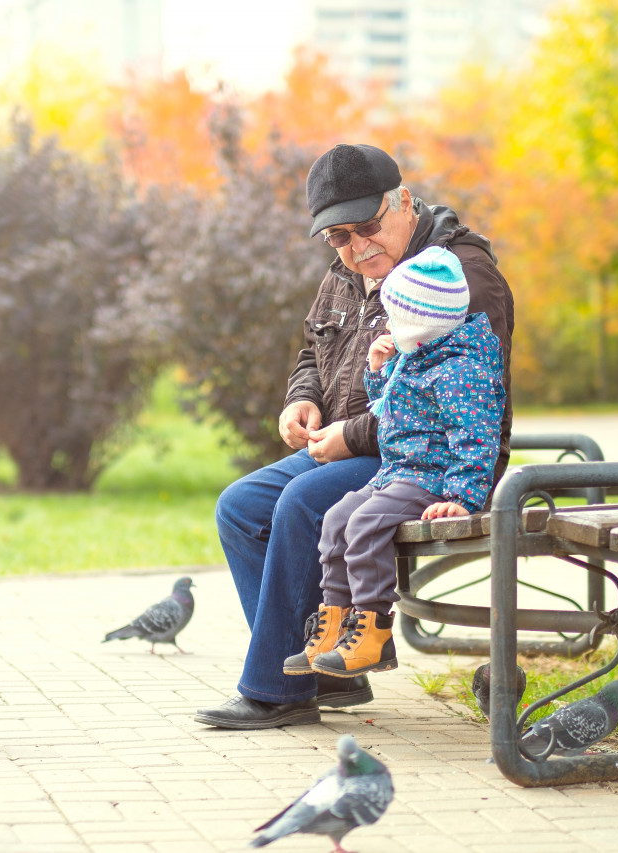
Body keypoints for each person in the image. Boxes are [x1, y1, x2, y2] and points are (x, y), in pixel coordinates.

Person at [193, 143, 515, 730]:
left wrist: (354, 433)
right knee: (239, 508)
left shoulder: (456, 274)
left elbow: (461, 392)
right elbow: (312, 351)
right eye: (338, 236)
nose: (356, 246)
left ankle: (279, 690)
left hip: (436, 460)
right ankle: (330, 671)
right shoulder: (346, 273)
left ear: (405, 203)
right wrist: (302, 400)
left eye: (367, 226)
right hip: (363, 451)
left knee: (300, 504)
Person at [285, 247, 504, 679]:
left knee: (364, 525)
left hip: (431, 477)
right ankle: (335, 622)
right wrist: (378, 368)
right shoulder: (420, 354)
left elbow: (477, 439)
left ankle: (374, 630)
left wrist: (461, 497)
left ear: (420, 323)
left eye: (395, 318)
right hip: (397, 472)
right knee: (335, 521)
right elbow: (392, 408)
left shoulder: (461, 369)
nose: (388, 326)